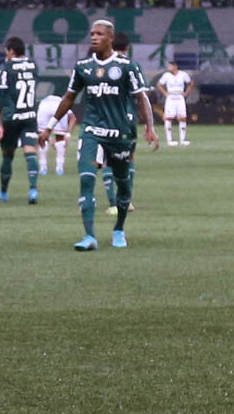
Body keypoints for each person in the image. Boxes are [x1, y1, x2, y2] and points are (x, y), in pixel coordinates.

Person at [37, 20, 159, 251]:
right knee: (86, 179)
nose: (94, 37)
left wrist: (150, 127)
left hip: (121, 134)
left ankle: (119, 229)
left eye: (99, 34)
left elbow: (141, 98)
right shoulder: (83, 67)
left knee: (123, 186)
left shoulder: (127, 66)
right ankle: (89, 236)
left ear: (110, 38)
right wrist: (49, 127)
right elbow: (69, 98)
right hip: (92, 131)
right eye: (92, 34)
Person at [0, 36, 41, 204]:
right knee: (30, 152)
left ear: (10, 51)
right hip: (30, 115)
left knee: (7, 155)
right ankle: (33, 190)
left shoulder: (6, 68)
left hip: (11, 117)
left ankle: (3, 192)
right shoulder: (33, 66)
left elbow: (1, 95)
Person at [101, 32, 139, 216]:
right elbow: (141, 95)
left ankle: (114, 203)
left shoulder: (105, 66)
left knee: (108, 161)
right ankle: (127, 201)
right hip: (130, 120)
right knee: (129, 158)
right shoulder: (132, 66)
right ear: (128, 48)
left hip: (110, 119)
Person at [35, 94, 75, 177]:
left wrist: (49, 139)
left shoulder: (44, 102)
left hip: (44, 106)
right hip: (58, 105)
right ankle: (59, 168)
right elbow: (73, 119)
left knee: (42, 138)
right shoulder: (64, 102)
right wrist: (68, 134)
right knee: (60, 137)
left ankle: (43, 168)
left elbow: (39, 132)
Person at [156, 59, 193, 147]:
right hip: (171, 97)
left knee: (183, 118)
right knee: (169, 118)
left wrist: (186, 93)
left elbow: (191, 83)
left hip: (180, 97)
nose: (169, 67)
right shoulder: (166, 75)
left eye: (170, 66)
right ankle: (170, 140)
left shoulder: (183, 74)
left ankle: (182, 140)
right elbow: (159, 84)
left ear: (175, 66)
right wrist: (165, 93)